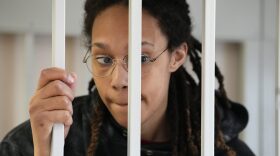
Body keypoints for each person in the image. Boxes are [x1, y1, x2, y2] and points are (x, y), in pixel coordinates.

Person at [0, 0, 255, 155]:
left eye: (141, 59)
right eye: (104, 59)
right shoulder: (40, 140)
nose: (118, 80)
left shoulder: (221, 149)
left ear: (176, 56)